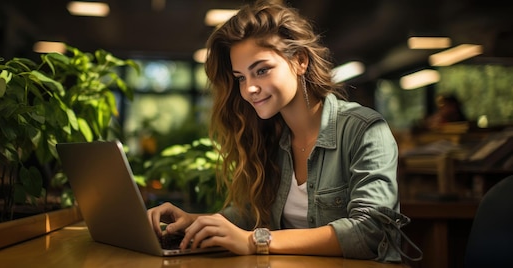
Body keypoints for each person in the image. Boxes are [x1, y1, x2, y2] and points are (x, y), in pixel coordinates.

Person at [148, 0, 417, 262]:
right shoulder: (270, 136)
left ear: (300, 61)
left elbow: (372, 231)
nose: (249, 88)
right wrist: (192, 222)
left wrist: (256, 241)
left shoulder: (365, 130)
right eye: (241, 77)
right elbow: (250, 215)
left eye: (262, 70)